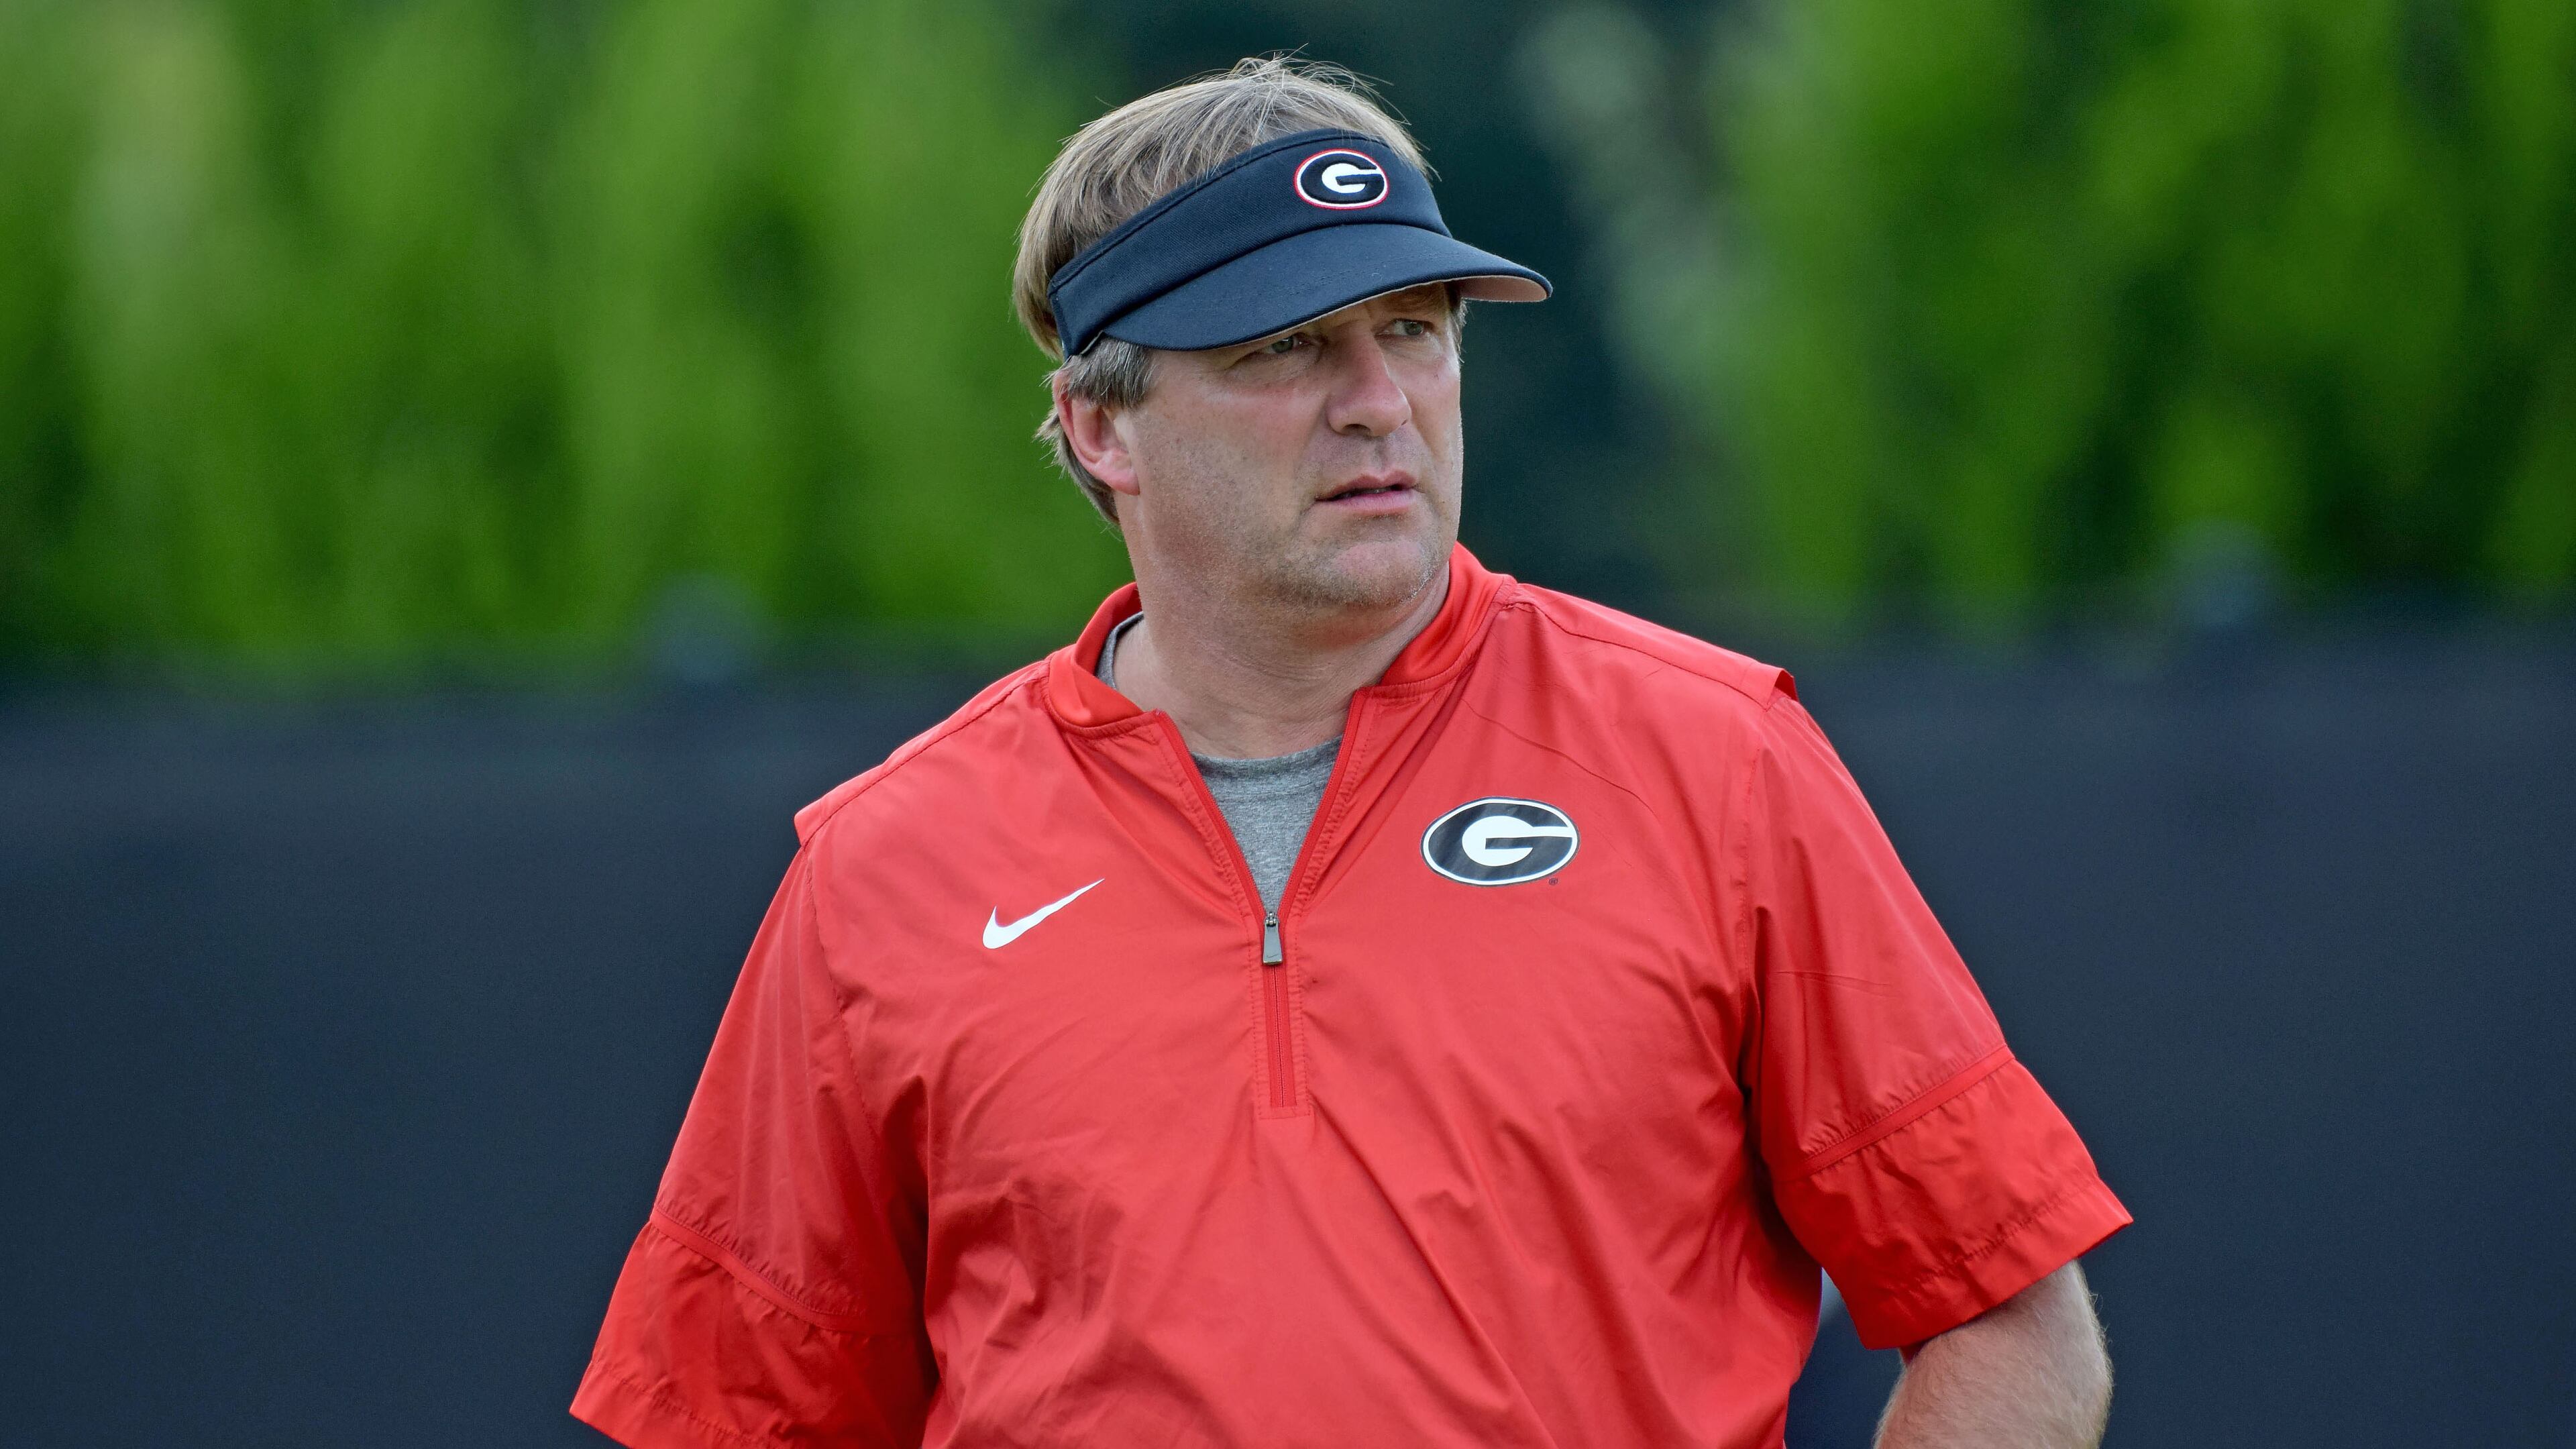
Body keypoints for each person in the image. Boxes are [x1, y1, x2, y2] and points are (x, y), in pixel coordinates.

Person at [571, 56, 2130, 1449]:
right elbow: (732, 1412)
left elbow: (2014, 1322)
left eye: (1414, 330)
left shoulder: (1716, 760)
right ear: (1101, 427)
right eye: (1285, 350)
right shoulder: (884, 869)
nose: (1380, 403)